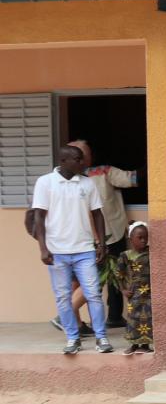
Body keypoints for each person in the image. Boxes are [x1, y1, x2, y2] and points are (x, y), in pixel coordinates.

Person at [31, 145, 114, 355]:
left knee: (93, 294)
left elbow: (97, 214)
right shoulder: (45, 182)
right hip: (56, 251)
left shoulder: (87, 183)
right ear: (64, 161)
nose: (83, 162)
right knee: (62, 297)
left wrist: (101, 243)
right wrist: (43, 248)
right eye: (78, 159)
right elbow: (39, 217)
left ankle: (101, 337)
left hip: (84, 250)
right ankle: (72, 337)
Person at [69, 140, 139, 329]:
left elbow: (132, 179)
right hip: (82, 239)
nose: (81, 158)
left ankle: (114, 317)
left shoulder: (104, 172)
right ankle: (69, 317)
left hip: (111, 234)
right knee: (87, 280)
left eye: (83, 154)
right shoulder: (65, 179)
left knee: (116, 276)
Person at [115, 221, 153, 354]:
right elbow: (119, 274)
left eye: (146, 237)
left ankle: (146, 345)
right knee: (133, 318)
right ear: (131, 239)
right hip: (134, 294)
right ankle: (133, 344)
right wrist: (123, 289)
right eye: (140, 238)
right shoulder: (126, 256)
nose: (144, 240)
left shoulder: (151, 253)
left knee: (147, 319)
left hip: (149, 293)